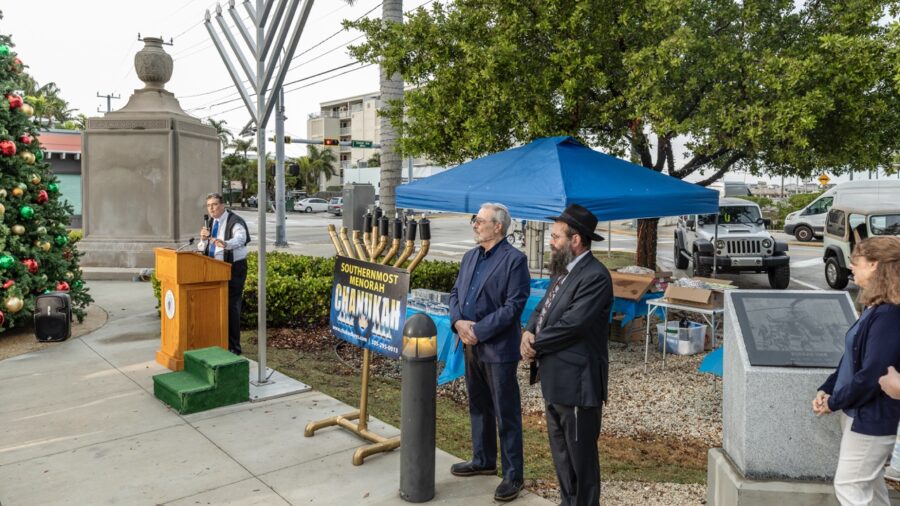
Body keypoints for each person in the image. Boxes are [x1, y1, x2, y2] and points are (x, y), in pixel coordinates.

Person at [520, 204, 612, 506]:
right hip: (555, 381)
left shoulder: (595, 276)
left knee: (581, 461)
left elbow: (573, 324)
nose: (551, 241)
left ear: (576, 240)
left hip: (578, 384)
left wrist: (535, 344)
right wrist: (528, 331)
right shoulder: (563, 272)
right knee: (562, 456)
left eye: (556, 236)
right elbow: (542, 308)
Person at [448, 202, 530, 502]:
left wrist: (477, 330)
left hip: (497, 349)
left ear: (498, 226)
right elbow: (456, 292)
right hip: (470, 346)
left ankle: (513, 475)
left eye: (479, 220)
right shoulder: (470, 257)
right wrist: (457, 323)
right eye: (474, 219)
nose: (474, 224)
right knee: (479, 407)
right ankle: (483, 459)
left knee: (506, 413)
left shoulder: (515, 260)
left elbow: (513, 307)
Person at [812, 236, 900, 505]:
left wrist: (835, 401)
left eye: (855, 262)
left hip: (872, 416)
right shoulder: (874, 307)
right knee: (871, 488)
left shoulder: (888, 314)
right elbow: (851, 357)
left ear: (874, 265)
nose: (851, 267)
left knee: (849, 486)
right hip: (858, 411)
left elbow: (873, 373)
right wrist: (827, 388)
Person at [199, 192, 251, 355]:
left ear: (222, 205)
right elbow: (203, 247)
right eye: (209, 206)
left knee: (231, 307)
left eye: (214, 205)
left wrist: (225, 243)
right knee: (216, 308)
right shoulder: (210, 223)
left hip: (233, 270)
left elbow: (240, 239)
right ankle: (218, 341)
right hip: (214, 269)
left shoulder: (234, 221)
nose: (211, 208)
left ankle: (234, 348)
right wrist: (203, 239)